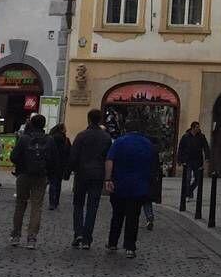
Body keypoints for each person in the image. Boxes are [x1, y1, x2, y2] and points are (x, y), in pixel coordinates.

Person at [104, 128, 159, 257]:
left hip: (120, 184)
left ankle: (112, 243)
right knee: (133, 217)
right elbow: (154, 165)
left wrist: (108, 179)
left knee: (117, 215)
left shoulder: (119, 142)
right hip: (139, 186)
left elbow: (109, 160)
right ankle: (130, 247)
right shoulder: (147, 144)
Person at [67, 109, 112, 249]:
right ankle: (87, 238)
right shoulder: (106, 138)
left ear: (88, 119)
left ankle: (78, 233)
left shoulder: (81, 136)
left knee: (78, 204)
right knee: (92, 206)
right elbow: (108, 158)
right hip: (98, 174)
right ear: (100, 120)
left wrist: (69, 171)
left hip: (82, 173)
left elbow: (73, 156)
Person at [8, 114, 50, 248]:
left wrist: (22, 164)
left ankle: (16, 235)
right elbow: (54, 159)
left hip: (23, 174)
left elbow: (13, 157)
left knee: (20, 204)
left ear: (31, 123)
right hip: (41, 176)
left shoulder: (24, 139)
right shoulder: (48, 140)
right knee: (36, 206)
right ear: (44, 124)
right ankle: (32, 238)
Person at [176, 120, 210, 209]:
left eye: (199, 127)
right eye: (197, 127)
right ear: (193, 128)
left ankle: (189, 190)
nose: (198, 129)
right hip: (188, 160)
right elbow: (181, 148)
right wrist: (179, 160)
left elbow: (206, 147)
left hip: (198, 161)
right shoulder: (185, 137)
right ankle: (187, 195)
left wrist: (207, 157)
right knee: (187, 178)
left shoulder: (201, 137)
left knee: (198, 179)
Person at [46, 123, 70, 210]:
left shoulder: (51, 138)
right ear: (62, 129)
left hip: (52, 164)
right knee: (58, 183)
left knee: (52, 183)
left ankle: (52, 202)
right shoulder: (65, 139)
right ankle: (56, 201)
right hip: (61, 164)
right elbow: (68, 152)